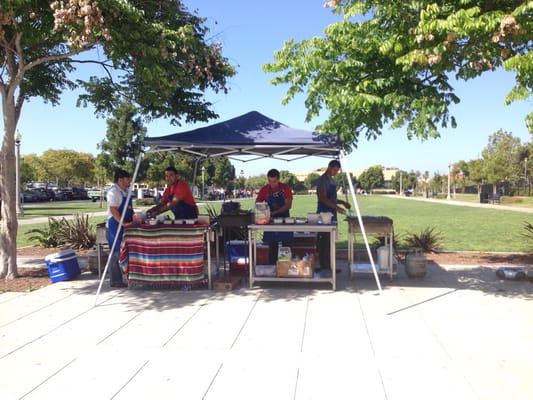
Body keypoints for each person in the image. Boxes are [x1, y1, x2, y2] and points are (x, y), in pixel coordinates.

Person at [315, 159, 351, 272]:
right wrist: (337, 207)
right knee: (323, 240)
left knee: (331, 241)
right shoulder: (323, 180)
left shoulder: (332, 180)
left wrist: (342, 203)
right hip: (324, 213)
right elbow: (323, 197)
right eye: (335, 170)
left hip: (332, 213)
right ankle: (323, 265)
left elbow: (332, 198)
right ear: (329, 167)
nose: (336, 172)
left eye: (337, 170)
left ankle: (330, 265)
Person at [255, 168, 293, 263]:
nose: (272, 184)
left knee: (286, 247)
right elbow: (257, 204)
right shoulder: (264, 189)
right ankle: (272, 268)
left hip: (284, 220)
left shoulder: (285, 188)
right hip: (270, 221)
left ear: (279, 179)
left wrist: (274, 212)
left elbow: (288, 205)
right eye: (270, 181)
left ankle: (286, 268)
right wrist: (265, 212)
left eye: (274, 181)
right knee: (272, 247)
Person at [106, 169, 136, 288]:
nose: (129, 182)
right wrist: (123, 223)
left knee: (125, 251)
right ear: (120, 180)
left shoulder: (126, 191)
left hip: (126, 225)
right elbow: (113, 210)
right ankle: (115, 280)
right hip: (115, 226)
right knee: (115, 253)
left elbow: (129, 207)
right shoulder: (113, 192)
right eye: (127, 179)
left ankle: (128, 275)